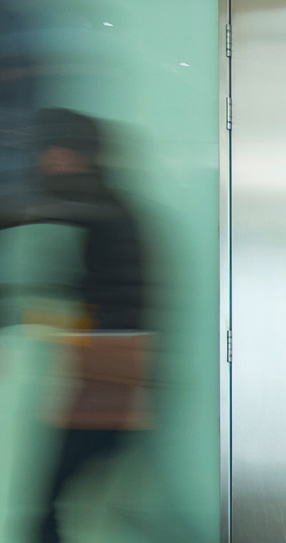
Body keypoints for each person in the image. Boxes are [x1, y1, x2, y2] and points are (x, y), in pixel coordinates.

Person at [22, 108, 155, 543]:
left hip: (108, 375)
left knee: (51, 505)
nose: (43, 161)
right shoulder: (112, 208)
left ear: (71, 153)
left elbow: (93, 307)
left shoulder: (94, 205)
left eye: (50, 150)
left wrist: (29, 318)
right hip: (112, 374)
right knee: (66, 501)